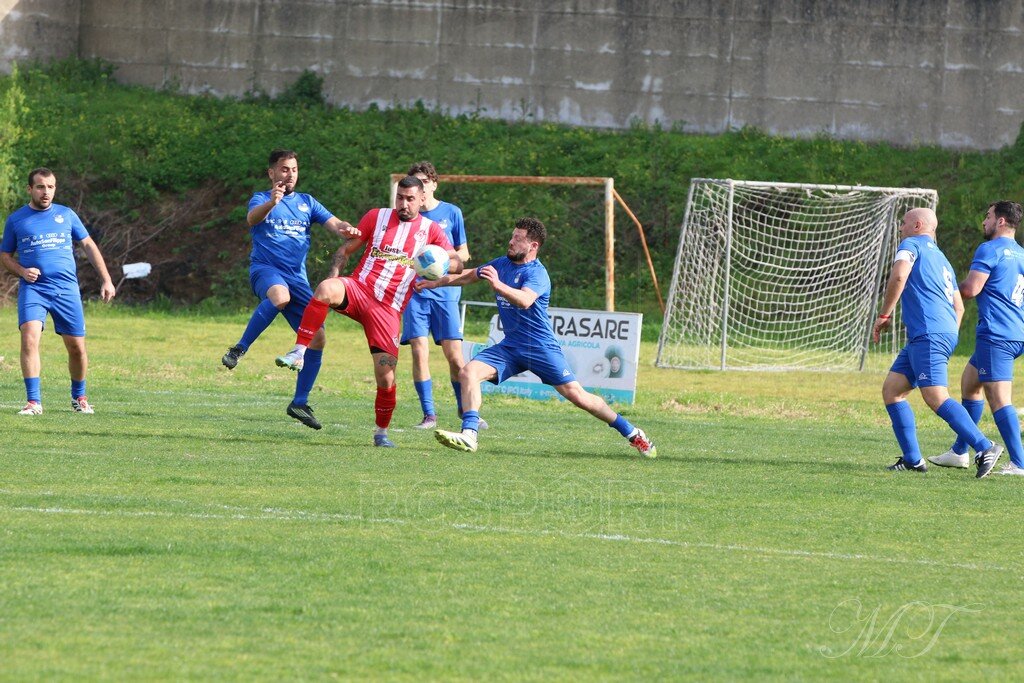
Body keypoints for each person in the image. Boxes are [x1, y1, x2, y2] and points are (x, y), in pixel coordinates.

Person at [423, 217, 658, 458]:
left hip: (540, 347)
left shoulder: (538, 274)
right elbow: (470, 275)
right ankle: (469, 434)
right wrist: (434, 283)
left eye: (517, 238)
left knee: (577, 396)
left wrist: (497, 285)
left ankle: (632, 433)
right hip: (510, 346)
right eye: (512, 236)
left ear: (533, 245)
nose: (511, 241)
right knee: (467, 373)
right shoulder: (501, 264)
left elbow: (525, 300)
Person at [274, 176, 464, 446]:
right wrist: (335, 276)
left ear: (422, 199)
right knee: (326, 289)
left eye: (410, 199)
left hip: (388, 310)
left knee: (386, 377)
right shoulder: (377, 216)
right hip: (359, 289)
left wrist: (440, 262)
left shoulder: (431, 231)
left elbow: (455, 262)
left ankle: (381, 433)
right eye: (400, 197)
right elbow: (346, 249)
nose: (404, 204)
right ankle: (299, 352)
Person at [220, 149, 357, 430]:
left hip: (297, 279)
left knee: (317, 337)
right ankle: (239, 348)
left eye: (293, 169)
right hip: (266, 271)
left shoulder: (307, 202)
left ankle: (299, 402)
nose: (289, 174)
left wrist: (349, 229)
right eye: (284, 169)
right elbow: (251, 219)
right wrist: (272, 202)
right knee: (280, 296)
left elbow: (335, 224)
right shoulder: (261, 198)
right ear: (272, 173)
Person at [873, 207, 1002, 477]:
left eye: (904, 223)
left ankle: (984, 446)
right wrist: (947, 334)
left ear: (918, 225)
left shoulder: (911, 244)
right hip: (936, 333)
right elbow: (959, 307)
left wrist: (885, 315)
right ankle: (912, 459)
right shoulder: (942, 259)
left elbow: (899, 276)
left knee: (935, 396)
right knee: (893, 390)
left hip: (929, 334)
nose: (901, 228)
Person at [0, 167, 116, 414]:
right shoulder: (16, 220)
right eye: (40, 186)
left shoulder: (67, 214)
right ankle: (34, 402)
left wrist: (106, 279)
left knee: (77, 348)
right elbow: (5, 256)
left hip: (66, 290)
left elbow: (88, 245)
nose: (46, 192)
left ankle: (79, 398)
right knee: (29, 338)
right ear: (30, 189)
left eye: (50, 187)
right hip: (34, 289)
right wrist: (21, 271)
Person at [928, 200, 1024, 476]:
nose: (984, 222)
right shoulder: (1020, 254)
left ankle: (1019, 462)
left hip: (997, 334)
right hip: (1014, 332)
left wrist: (943, 296)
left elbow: (971, 288)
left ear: (1001, 221)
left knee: (999, 399)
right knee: (970, 385)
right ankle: (960, 452)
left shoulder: (990, 249)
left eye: (988, 216)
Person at [398, 161, 487, 430]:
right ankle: (429, 415)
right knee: (418, 349)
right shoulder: (406, 217)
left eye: (424, 181)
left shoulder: (451, 213)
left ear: (434, 184)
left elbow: (464, 253)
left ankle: (466, 410)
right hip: (414, 291)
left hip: (446, 290)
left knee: (455, 356)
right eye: (415, 182)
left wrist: (438, 258)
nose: (420, 187)